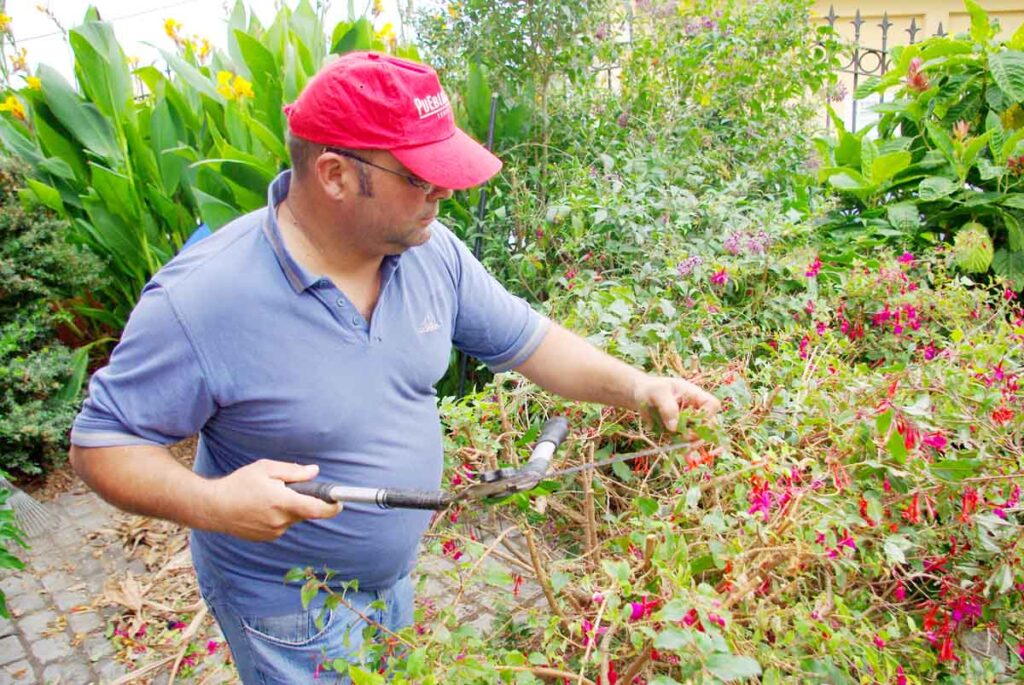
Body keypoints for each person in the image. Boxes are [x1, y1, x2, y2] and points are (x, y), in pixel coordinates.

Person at [69, 51, 720, 684]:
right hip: (287, 608)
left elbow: (533, 341)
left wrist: (638, 386)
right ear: (334, 174)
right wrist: (211, 503)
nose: (444, 189)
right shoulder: (203, 300)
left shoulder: (433, 255)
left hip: (395, 582)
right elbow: (101, 445)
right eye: (418, 174)